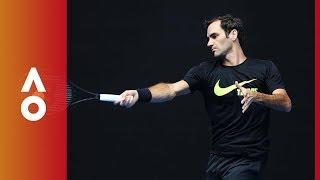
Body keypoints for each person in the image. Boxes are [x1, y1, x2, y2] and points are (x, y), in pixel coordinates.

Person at [114, 14, 292, 180]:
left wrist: (258, 96)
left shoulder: (265, 68)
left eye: (214, 36)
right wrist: (140, 93)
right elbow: (171, 89)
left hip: (249, 159)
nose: (209, 43)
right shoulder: (205, 71)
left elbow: (285, 103)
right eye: (208, 38)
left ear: (233, 34)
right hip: (217, 160)